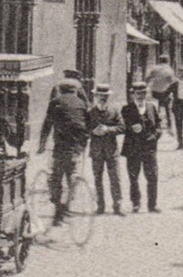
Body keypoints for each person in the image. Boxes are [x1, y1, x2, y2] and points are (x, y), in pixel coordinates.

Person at [38, 71, 91, 220]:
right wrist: (84, 142)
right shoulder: (81, 101)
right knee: (72, 173)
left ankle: (58, 205)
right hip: (76, 145)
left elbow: (47, 123)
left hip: (60, 144)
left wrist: (42, 144)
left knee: (56, 175)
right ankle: (68, 203)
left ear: (60, 89)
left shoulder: (56, 101)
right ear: (74, 89)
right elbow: (88, 121)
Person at [120, 82, 163, 213]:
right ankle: (135, 203)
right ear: (133, 94)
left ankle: (152, 205)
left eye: (143, 93)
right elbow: (122, 127)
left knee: (152, 176)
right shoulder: (126, 109)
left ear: (146, 94)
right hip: (133, 148)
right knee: (133, 177)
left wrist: (155, 136)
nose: (140, 96)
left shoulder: (151, 107)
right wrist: (130, 128)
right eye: (138, 93)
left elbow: (159, 126)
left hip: (149, 148)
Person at [84, 85, 125, 215]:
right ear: (95, 97)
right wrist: (93, 131)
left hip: (111, 150)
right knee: (97, 179)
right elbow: (84, 130)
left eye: (105, 96)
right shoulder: (90, 113)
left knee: (115, 178)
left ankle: (117, 206)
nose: (102, 98)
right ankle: (100, 206)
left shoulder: (114, 111)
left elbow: (122, 127)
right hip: (96, 151)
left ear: (108, 97)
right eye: (100, 95)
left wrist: (108, 129)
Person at [146, 58, 178, 123]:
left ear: (159, 61)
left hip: (155, 92)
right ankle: (169, 121)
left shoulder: (154, 69)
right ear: (167, 61)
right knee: (167, 106)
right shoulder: (169, 70)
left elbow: (148, 78)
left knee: (155, 105)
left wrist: (147, 86)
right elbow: (172, 82)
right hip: (165, 92)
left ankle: (156, 120)